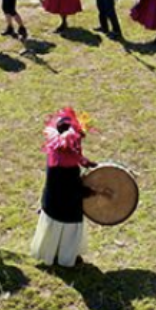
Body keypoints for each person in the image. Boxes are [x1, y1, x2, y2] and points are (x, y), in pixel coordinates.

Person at [31, 107, 97, 267]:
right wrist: (86, 192)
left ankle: (54, 254)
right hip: (65, 206)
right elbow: (68, 188)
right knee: (66, 233)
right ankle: (65, 258)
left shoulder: (57, 153)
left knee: (54, 231)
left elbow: (75, 156)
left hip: (53, 202)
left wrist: (85, 161)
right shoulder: (63, 165)